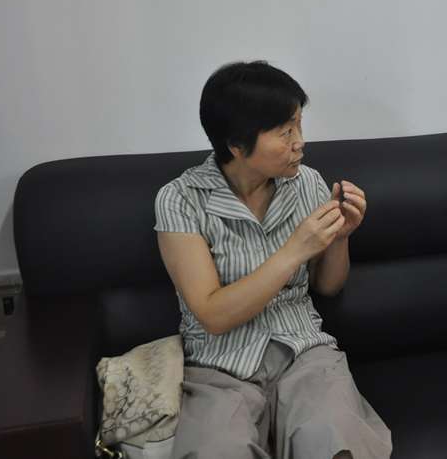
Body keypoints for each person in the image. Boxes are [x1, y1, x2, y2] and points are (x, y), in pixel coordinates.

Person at [154, 60, 392, 459]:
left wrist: (340, 238)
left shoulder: (307, 182)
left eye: (299, 126)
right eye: (285, 132)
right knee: (218, 450)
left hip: (304, 352)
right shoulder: (180, 199)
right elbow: (213, 315)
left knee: (335, 441)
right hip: (218, 365)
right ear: (237, 145)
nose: (300, 142)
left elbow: (328, 285)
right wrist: (295, 249)